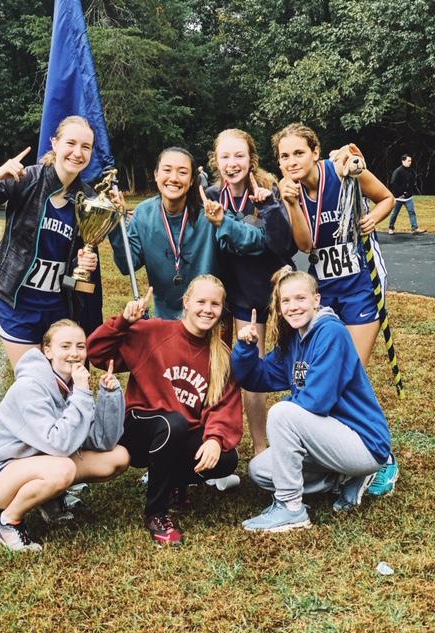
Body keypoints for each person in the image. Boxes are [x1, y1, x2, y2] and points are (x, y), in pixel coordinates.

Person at [231, 267, 391, 533]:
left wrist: (290, 427)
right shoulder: (295, 340)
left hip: (364, 443)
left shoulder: (332, 333)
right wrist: (246, 348)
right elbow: (255, 379)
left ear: (316, 300)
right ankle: (345, 478)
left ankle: (291, 508)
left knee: (283, 413)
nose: (293, 307)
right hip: (329, 441)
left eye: (300, 299)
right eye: (286, 301)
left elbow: (317, 402)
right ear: (279, 308)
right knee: (260, 470)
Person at [87, 276, 243, 546]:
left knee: (227, 459)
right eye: (201, 302)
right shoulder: (154, 332)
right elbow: (97, 352)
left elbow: (224, 405)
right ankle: (156, 513)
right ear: (186, 302)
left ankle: (172, 481)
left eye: (215, 304)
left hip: (178, 434)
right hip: (140, 429)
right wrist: (123, 322)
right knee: (174, 423)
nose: (208, 309)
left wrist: (216, 440)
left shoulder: (220, 356)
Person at [0, 115, 103, 369]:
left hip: (59, 307)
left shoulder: (88, 199)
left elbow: (73, 278)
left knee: (61, 386)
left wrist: (83, 265)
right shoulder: (26, 180)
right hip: (17, 303)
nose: (77, 153)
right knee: (33, 384)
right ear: (54, 144)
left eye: (86, 146)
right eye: (71, 143)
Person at [0, 319, 130, 552]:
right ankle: (7, 522)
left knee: (118, 457)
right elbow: (59, 445)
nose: (74, 353)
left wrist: (109, 396)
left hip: (42, 462)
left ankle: (50, 498)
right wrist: (84, 394)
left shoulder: (73, 386)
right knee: (63, 468)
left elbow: (102, 442)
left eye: (80, 346)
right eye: (65, 346)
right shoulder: (31, 386)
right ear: (47, 351)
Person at [203, 128, 311, 454]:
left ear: (252, 158)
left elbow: (284, 245)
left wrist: (269, 209)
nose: (232, 163)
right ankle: (261, 449)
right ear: (216, 160)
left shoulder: (269, 189)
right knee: (253, 368)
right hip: (243, 298)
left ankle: (307, 437)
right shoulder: (210, 194)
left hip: (279, 291)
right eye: (225, 156)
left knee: (301, 364)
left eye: (239, 155)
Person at [271, 123, 394, 367]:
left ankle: (354, 404)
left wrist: (373, 218)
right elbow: (307, 245)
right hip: (322, 286)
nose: (292, 161)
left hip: (362, 281)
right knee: (325, 364)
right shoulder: (287, 192)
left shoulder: (343, 170)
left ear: (315, 153)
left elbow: (386, 198)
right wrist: (292, 204)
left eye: (299, 153)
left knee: (354, 367)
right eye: (285, 156)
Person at [109, 146, 265, 319]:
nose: (174, 178)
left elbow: (257, 241)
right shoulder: (143, 213)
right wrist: (115, 225)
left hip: (207, 319)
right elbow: (127, 265)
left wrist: (223, 223)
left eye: (182, 172)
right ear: (156, 175)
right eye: (167, 170)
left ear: (192, 180)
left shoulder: (209, 213)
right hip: (165, 319)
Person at [388, 155, 426, 235]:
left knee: (412, 212)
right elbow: (393, 183)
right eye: (408, 161)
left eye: (410, 161)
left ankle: (415, 228)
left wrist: (410, 191)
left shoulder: (410, 171)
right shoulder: (398, 171)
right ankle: (391, 228)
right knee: (395, 213)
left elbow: (411, 183)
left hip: (408, 197)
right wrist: (402, 192)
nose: (410, 162)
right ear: (403, 161)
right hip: (399, 197)